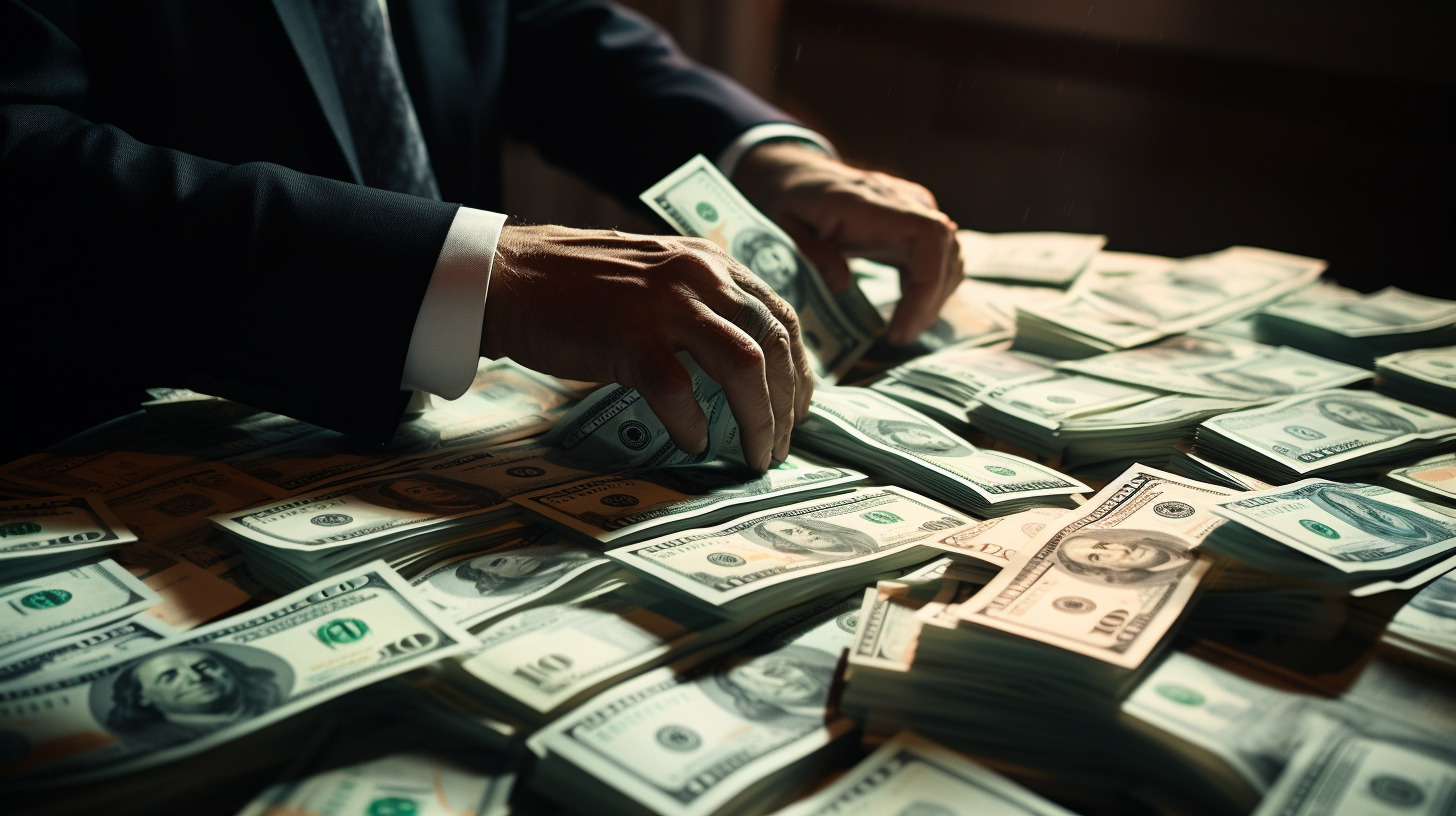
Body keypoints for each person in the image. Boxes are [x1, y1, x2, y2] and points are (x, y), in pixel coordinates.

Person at [0, 1, 964, 471]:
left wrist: (757, 153)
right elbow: (21, 167)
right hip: (99, 443)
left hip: (447, 449)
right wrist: (487, 280)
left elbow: (534, 23)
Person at [106, 647, 281, 745]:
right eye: (170, 676)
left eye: (205, 666)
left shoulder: (274, 700)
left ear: (232, 670)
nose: (197, 678)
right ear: (141, 697)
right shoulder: (153, 739)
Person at [1054, 528, 1195, 586]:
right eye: (1096, 557)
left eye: (1102, 546)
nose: (1117, 551)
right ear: (1109, 569)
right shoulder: (1165, 581)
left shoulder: (1172, 541)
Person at [752, 516, 878, 557]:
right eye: (789, 532)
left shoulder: (864, 543)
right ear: (783, 543)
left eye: (800, 528)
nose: (806, 532)